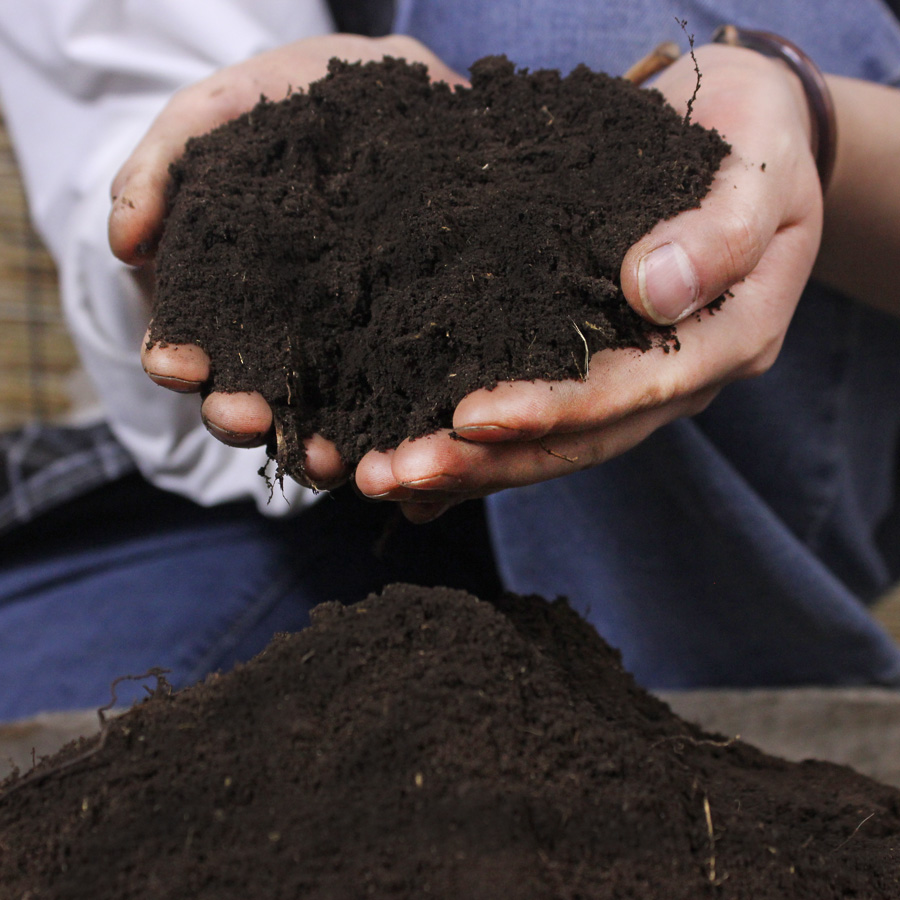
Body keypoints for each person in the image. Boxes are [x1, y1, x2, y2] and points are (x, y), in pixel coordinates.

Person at [1, 0, 899, 719]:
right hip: (331, 504)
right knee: (56, 743)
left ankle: (744, 685)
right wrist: (188, 241)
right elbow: (122, 103)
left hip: (714, 518)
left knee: (552, 20)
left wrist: (822, 132)